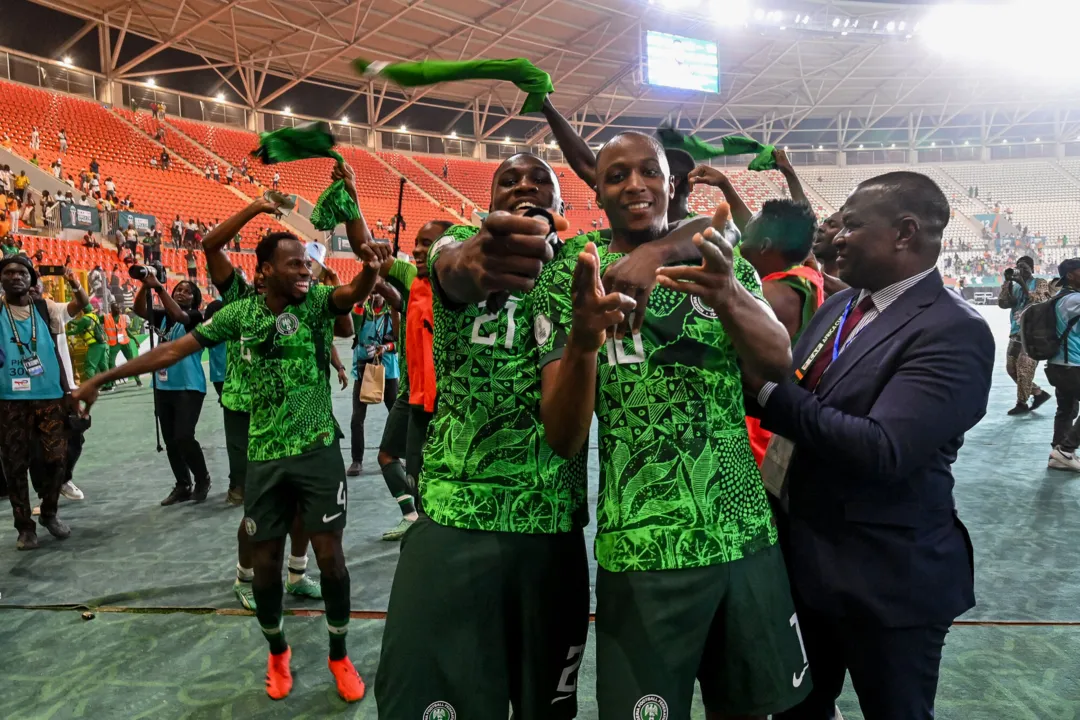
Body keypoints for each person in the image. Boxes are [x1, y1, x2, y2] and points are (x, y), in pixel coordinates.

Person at [537, 132, 804, 719]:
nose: (635, 185)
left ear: (670, 182)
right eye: (616, 176)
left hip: (742, 536)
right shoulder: (572, 276)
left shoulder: (713, 257)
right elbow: (562, 436)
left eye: (648, 172)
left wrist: (730, 293)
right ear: (598, 192)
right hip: (641, 548)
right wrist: (582, 344)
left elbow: (777, 363)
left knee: (756, 710)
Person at [75, 234, 391, 703]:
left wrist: (370, 270)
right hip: (264, 456)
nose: (306, 272)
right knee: (264, 564)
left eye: (307, 265)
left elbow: (352, 295)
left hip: (318, 449)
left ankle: (339, 655)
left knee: (333, 561)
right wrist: (101, 377)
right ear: (263, 272)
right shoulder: (239, 314)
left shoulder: (320, 300)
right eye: (295, 265)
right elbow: (172, 351)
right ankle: (278, 651)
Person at [741, 172, 995, 720]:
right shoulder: (841, 306)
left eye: (853, 225)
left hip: (888, 582)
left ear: (905, 233)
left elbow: (884, 449)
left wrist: (765, 392)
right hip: (806, 566)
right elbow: (803, 393)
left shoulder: (954, 330)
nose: (836, 237)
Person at [376, 152, 608, 718]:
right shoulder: (453, 242)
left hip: (549, 532)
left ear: (560, 205)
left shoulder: (579, 275)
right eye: (510, 180)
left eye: (540, 181)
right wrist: (481, 263)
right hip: (454, 522)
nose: (525, 185)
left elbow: (565, 433)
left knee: (546, 709)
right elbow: (458, 270)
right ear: (490, 203)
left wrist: (580, 343)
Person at [0, 256, 80, 549]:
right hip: (8, 399)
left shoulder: (45, 309)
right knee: (14, 465)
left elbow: (58, 352)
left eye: (22, 272)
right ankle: (25, 527)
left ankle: (49, 512)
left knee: (57, 458)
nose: (15, 276)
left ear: (32, 279)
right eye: (8, 272)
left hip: (49, 395)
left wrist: (68, 391)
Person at [735, 197, 823, 466]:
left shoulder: (768, 296)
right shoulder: (808, 275)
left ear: (764, 247)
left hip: (758, 432)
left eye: (745, 236)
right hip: (782, 419)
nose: (740, 242)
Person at [132, 274, 211, 505]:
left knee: (184, 436)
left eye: (187, 291)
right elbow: (139, 309)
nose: (181, 293)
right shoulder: (163, 318)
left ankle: (202, 478)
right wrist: (144, 286)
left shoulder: (196, 317)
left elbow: (180, 315)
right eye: (178, 289)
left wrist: (159, 288)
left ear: (195, 299)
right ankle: (182, 485)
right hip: (163, 385)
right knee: (171, 441)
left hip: (189, 386)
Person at [347, 291, 398, 474]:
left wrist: (385, 347)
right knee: (357, 418)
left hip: (388, 369)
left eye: (380, 290)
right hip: (363, 368)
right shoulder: (361, 310)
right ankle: (356, 460)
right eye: (373, 290)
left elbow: (399, 340)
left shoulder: (392, 311)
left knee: (395, 414)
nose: (377, 295)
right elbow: (352, 328)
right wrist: (360, 301)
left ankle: (395, 456)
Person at [998, 255, 1051, 415]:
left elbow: (1040, 300)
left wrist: (1022, 283)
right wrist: (1008, 282)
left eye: (1026, 268)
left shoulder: (1040, 282)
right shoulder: (1013, 285)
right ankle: (1038, 393)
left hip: (1033, 334)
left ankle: (1021, 403)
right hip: (1016, 332)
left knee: (1024, 369)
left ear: (1033, 269)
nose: (1022, 271)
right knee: (1011, 369)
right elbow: (1003, 303)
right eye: (1019, 267)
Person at [1043, 258, 1080, 472]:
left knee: (1066, 408)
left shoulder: (1062, 297)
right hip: (1072, 365)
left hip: (1059, 364)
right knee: (1067, 408)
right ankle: (1065, 451)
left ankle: (1058, 453)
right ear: (1071, 275)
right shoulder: (1073, 300)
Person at [104, 302, 142, 386]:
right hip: (114, 343)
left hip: (124, 341)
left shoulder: (123, 317)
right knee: (111, 362)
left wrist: (135, 339)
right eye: (116, 308)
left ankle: (138, 380)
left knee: (131, 361)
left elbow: (126, 330)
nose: (118, 310)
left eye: (119, 308)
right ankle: (113, 381)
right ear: (112, 309)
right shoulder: (107, 317)